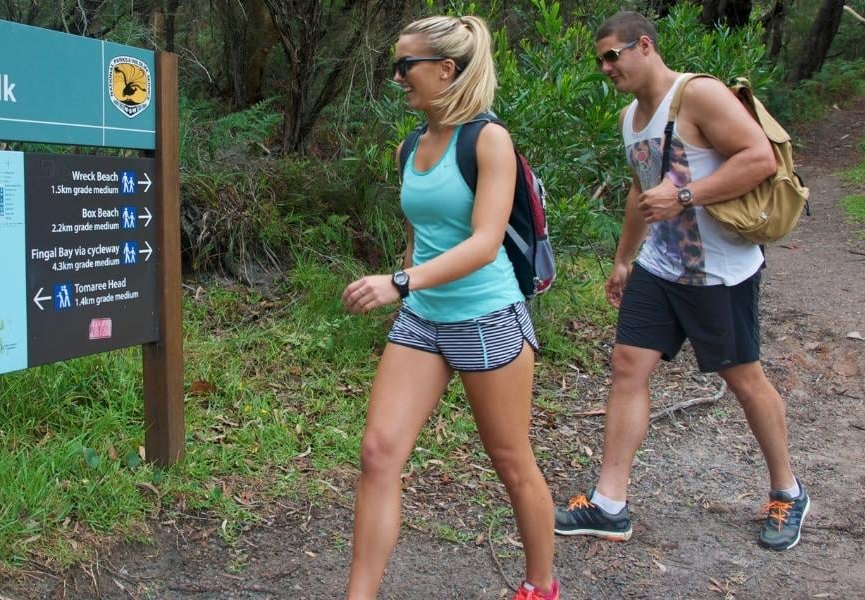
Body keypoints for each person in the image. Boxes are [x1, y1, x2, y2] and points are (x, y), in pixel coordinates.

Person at [552, 11, 809, 552]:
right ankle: (610, 503)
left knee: (743, 379)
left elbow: (760, 158)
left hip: (719, 273)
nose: (605, 67)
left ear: (644, 46)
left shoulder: (699, 95)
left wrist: (687, 195)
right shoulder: (629, 117)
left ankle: (788, 491)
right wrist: (625, 258)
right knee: (628, 367)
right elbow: (640, 189)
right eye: (599, 59)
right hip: (661, 268)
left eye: (612, 55)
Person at [342, 15, 559, 600]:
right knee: (378, 452)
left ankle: (541, 586)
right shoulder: (409, 144)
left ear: (446, 69)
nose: (397, 78)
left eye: (404, 65)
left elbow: (484, 241)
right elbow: (425, 236)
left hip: (487, 317)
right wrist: (407, 279)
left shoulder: (489, 139)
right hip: (423, 318)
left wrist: (399, 280)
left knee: (511, 460)